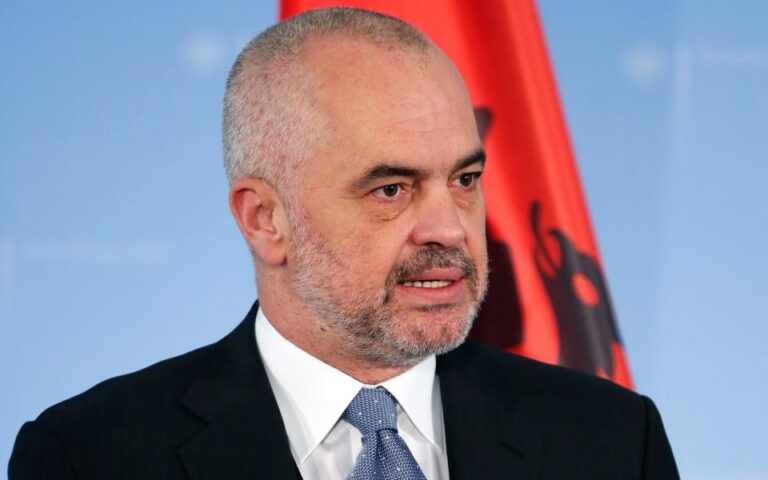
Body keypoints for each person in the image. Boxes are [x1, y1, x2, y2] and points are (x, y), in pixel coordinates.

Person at [9, 7, 679, 480]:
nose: (450, 229)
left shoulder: (614, 442)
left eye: (465, 179)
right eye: (391, 189)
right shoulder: (91, 456)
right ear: (265, 219)